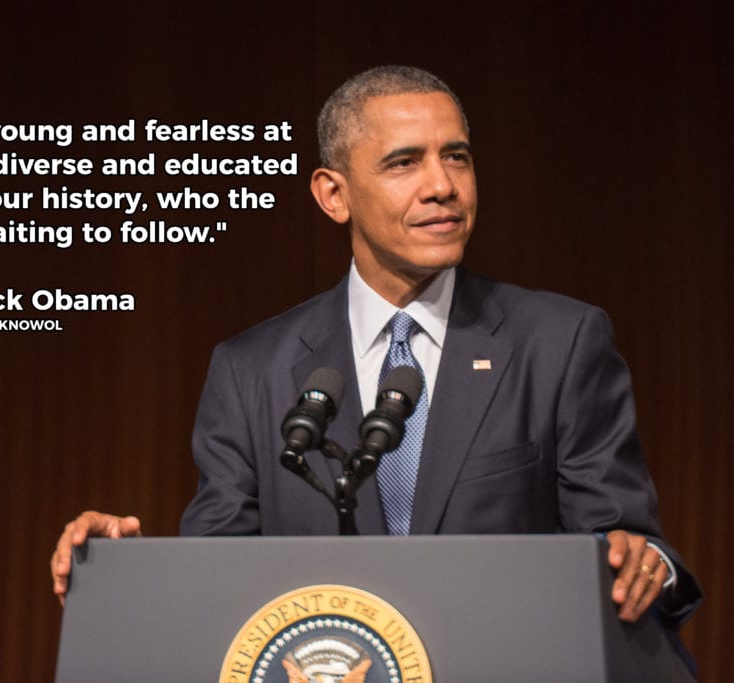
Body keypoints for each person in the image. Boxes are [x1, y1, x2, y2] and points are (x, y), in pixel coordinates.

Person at [51, 66, 701, 628]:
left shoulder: (558, 341)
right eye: (404, 162)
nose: (443, 185)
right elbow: (220, 576)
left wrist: (643, 561)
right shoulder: (252, 369)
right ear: (334, 195)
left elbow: (633, 545)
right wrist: (125, 567)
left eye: (458, 156)